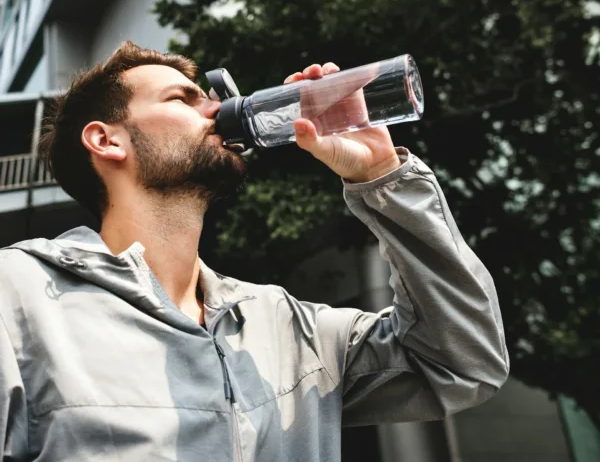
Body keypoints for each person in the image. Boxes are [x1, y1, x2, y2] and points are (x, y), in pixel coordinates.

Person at [0, 42, 509, 462]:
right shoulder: (20, 297)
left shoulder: (285, 327)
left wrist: (381, 177)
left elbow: (460, 364)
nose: (217, 112)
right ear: (107, 140)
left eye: (212, 99)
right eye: (184, 99)